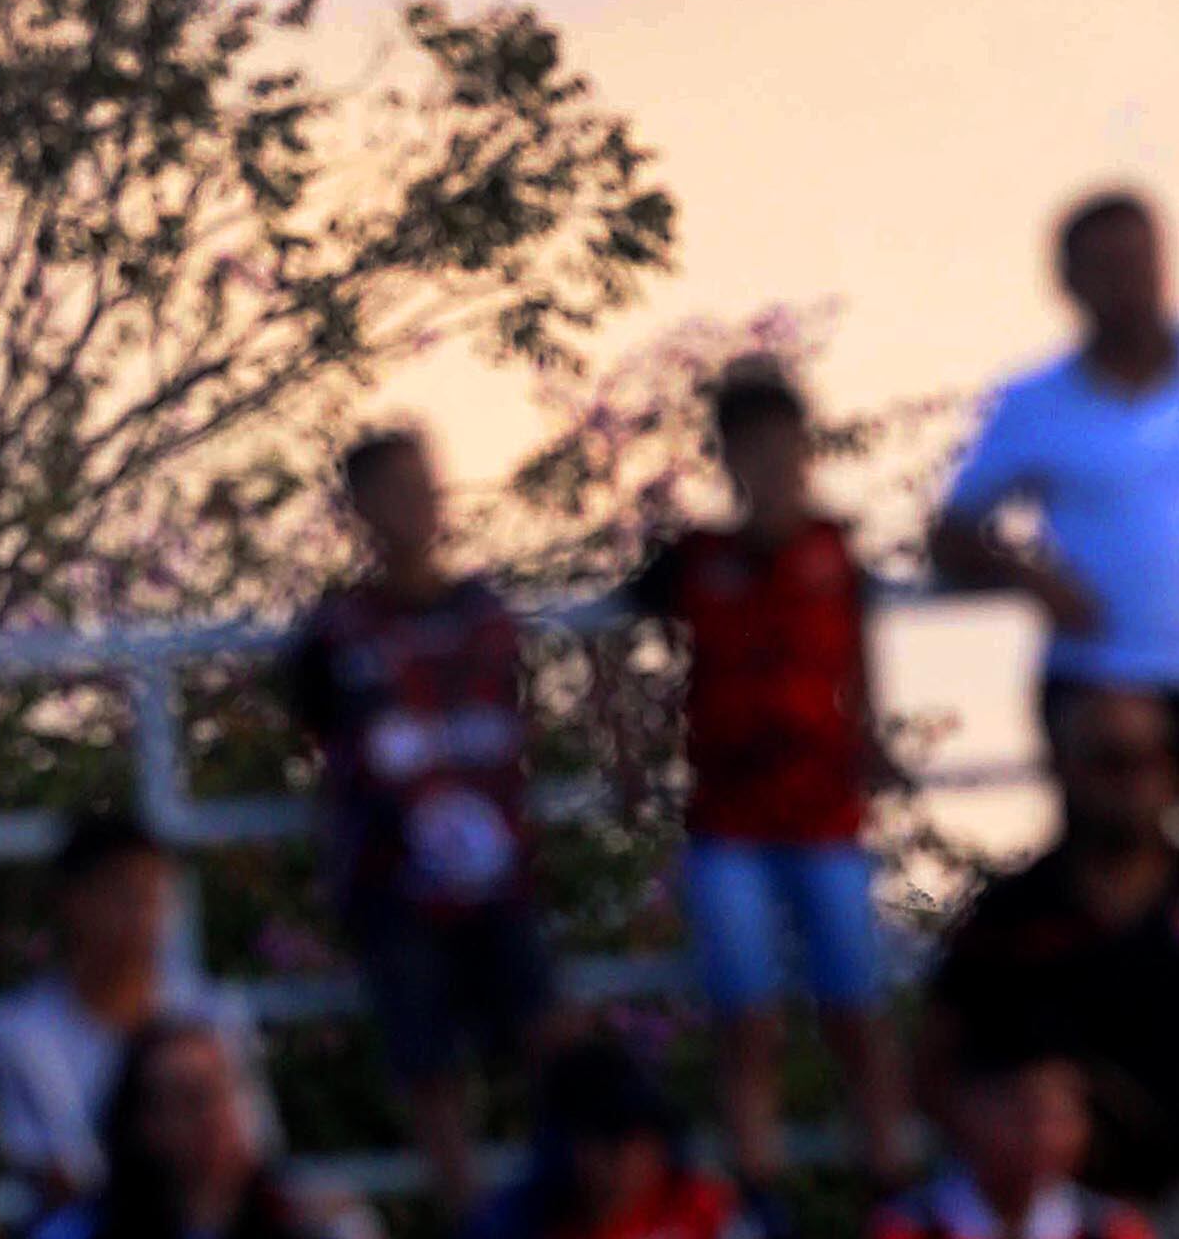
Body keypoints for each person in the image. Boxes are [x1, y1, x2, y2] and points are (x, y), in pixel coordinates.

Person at [622, 360, 906, 1195]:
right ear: (725, 456)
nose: (769, 463)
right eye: (750, 447)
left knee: (855, 1013)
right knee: (746, 1024)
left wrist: (874, 732)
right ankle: (761, 1197)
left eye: (781, 446)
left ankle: (886, 1186)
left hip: (825, 813)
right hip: (727, 822)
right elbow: (615, 631)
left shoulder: (833, 551)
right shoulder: (695, 559)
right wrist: (629, 750)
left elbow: (862, 644)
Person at [283, 429, 551, 1225]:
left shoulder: (488, 613)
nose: (414, 504)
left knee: (546, 1041)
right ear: (357, 509)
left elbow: (518, 720)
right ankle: (468, 1217)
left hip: (500, 881)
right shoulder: (333, 632)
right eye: (393, 489)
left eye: (423, 485)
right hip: (390, 881)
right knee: (428, 1065)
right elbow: (313, 732)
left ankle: (562, 1206)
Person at [917, 685, 1179, 1203]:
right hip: (1052, 1203)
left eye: (1157, 756)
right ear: (1063, 764)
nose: (1135, 779)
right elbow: (934, 1068)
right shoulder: (1009, 917)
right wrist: (999, 1124)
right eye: (1111, 759)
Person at [931, 192, 1179, 737]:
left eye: (1141, 262)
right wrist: (1031, 576)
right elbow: (950, 534)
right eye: (1109, 268)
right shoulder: (1035, 404)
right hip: (1096, 682)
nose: (1130, 284)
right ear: (1069, 282)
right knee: (1105, 827)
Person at [0, 813, 271, 1215]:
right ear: (73, 901)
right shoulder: (21, 1033)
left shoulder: (215, 1014)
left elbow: (248, 1149)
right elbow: (50, 1177)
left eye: (155, 897)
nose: (143, 916)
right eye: (124, 895)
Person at [28, 1017, 365, 1239]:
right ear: (141, 1123)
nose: (215, 1114)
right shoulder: (78, 1231)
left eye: (228, 1089)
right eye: (191, 1099)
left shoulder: (315, 1223)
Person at [874, 1047, 1155, 1239]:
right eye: (1025, 1117)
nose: (1046, 1137)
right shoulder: (908, 1227)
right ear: (966, 1115)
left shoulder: (1113, 1228)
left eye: (1062, 1117)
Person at [464, 1043, 737, 1239]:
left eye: (648, 1134)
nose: (636, 1154)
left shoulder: (704, 1207)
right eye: (614, 1137)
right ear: (569, 1148)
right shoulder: (518, 1226)